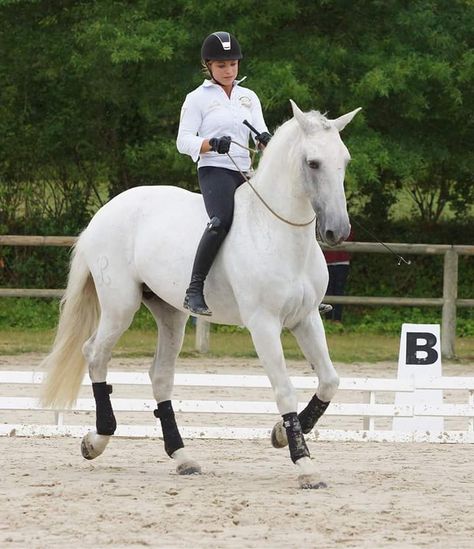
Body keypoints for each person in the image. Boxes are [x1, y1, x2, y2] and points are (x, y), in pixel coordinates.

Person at [176, 31, 271, 316]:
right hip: (215, 170)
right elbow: (183, 141)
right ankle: (194, 289)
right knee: (221, 221)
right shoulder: (197, 99)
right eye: (221, 65)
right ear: (209, 66)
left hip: (247, 171)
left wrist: (266, 139)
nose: (229, 71)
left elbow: (259, 130)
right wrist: (211, 144)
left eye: (233, 64)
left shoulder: (248, 97)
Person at [323, 228, 354, 322]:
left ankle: (337, 318)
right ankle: (328, 317)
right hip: (327, 261)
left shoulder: (345, 224)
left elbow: (350, 237)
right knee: (327, 290)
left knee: (339, 290)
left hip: (342, 261)